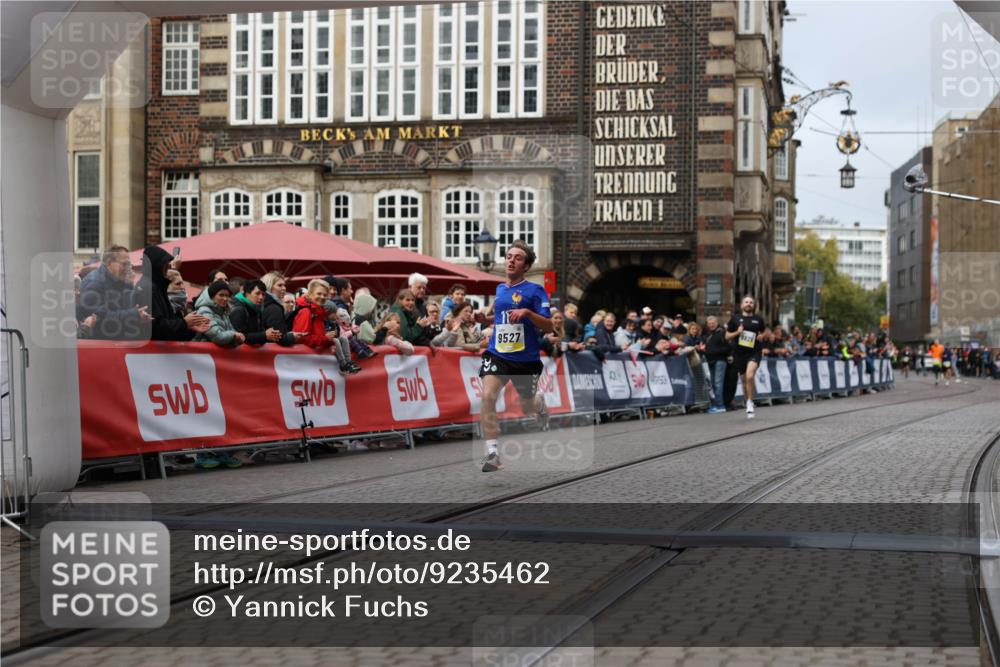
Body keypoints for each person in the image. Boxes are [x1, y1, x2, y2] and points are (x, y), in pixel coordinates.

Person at [478, 240, 553, 473]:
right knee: (487, 395)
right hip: (497, 353)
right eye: (509, 256)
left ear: (527, 266)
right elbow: (502, 316)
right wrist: (485, 320)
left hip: (525, 358)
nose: (511, 260)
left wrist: (528, 312)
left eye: (517, 257)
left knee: (527, 406)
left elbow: (550, 325)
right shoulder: (500, 290)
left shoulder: (535, 290)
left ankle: (540, 404)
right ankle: (492, 453)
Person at [78, 245, 150, 339]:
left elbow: (127, 308)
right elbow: (104, 319)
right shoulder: (94, 283)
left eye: (129, 264)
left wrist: (139, 316)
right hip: (102, 345)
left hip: (119, 339)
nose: (128, 268)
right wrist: (134, 314)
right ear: (110, 263)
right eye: (124, 264)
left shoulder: (119, 279)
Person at [142, 246, 211, 341]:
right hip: (154, 353)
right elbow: (157, 326)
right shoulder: (149, 288)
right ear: (157, 266)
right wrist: (184, 323)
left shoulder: (157, 287)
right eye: (165, 265)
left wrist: (189, 328)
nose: (183, 287)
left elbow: (169, 327)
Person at [725, 295, 766, 419]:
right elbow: (727, 336)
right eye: (746, 302)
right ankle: (747, 400)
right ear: (742, 305)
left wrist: (762, 336)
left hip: (754, 352)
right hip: (739, 353)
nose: (749, 304)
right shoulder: (735, 319)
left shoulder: (758, 319)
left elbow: (764, 331)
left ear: (753, 306)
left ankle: (750, 402)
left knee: (750, 375)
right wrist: (737, 332)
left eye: (751, 302)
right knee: (743, 380)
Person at [230, 279, 289, 346]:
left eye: (263, 294)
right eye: (257, 293)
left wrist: (270, 335)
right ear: (247, 294)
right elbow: (239, 337)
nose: (261, 297)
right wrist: (264, 335)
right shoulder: (239, 310)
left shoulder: (256, 308)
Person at [293, 279, 339, 354]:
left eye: (325, 295)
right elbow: (301, 338)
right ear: (310, 294)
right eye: (319, 294)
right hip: (304, 360)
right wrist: (325, 338)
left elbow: (318, 336)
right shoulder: (306, 311)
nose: (322, 297)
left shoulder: (319, 312)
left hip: (314, 360)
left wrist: (330, 344)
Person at [194, 281, 245, 348]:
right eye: (221, 295)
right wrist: (234, 335)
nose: (225, 298)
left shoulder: (223, 312)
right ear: (212, 296)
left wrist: (237, 337)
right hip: (204, 355)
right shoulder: (204, 311)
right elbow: (217, 337)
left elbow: (232, 331)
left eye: (227, 296)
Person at [259, 272, 301, 346]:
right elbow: (280, 338)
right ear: (269, 287)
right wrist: (292, 336)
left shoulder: (265, 304)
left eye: (284, 285)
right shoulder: (274, 308)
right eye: (280, 285)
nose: (284, 288)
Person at [704, 316, 729, 413]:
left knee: (718, 384)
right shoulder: (707, 335)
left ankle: (720, 406)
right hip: (710, 361)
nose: (711, 325)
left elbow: (728, 347)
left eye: (713, 323)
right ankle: (716, 405)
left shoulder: (722, 332)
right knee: (714, 384)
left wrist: (715, 351)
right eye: (709, 323)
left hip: (720, 360)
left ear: (717, 322)